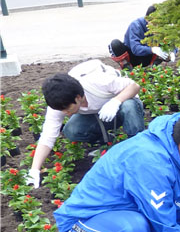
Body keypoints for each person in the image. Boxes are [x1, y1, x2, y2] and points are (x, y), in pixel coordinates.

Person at [26, 60, 146, 189]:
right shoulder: (60, 102)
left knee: (129, 106)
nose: (65, 113)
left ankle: (138, 148)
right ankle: (106, 142)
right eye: (62, 110)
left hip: (123, 108)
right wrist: (34, 169)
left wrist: (116, 101)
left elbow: (134, 86)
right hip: (99, 115)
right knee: (72, 129)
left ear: (78, 97)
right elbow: (47, 136)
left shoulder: (98, 82)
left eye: (67, 109)